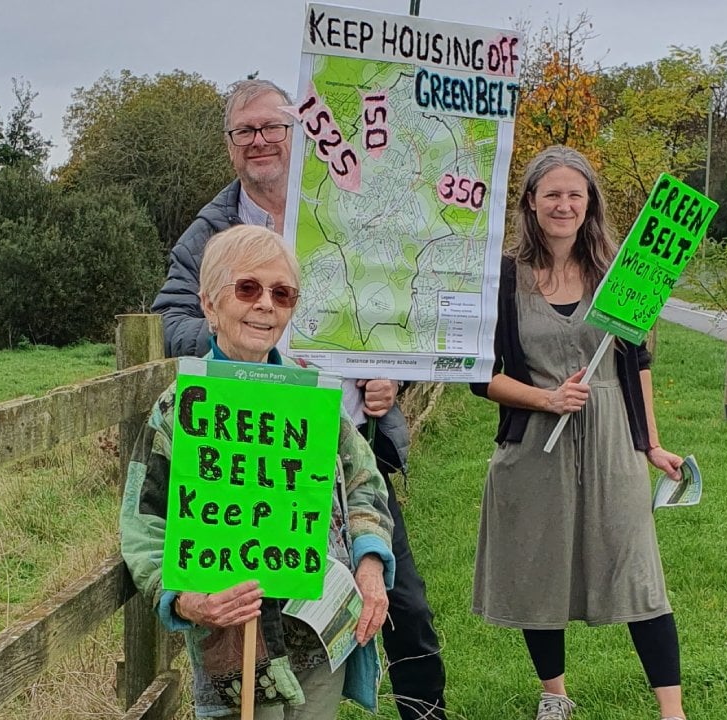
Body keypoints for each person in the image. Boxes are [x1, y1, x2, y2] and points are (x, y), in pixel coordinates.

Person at [151, 78, 448, 720]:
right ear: (230, 144)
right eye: (245, 131)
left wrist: (386, 376)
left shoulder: (346, 212)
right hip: (234, 449)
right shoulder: (209, 233)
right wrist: (240, 338)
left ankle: (424, 712)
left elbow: (390, 312)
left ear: (297, 133)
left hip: (334, 439)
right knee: (247, 633)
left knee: (399, 601)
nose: (260, 140)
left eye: (272, 127)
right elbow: (169, 315)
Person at [121, 225, 395, 718]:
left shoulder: (314, 404)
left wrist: (370, 564)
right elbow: (144, 524)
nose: (266, 304)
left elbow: (364, 484)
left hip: (318, 634)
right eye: (248, 288)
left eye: (282, 293)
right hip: (230, 645)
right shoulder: (182, 407)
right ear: (209, 305)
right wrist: (184, 599)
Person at [469, 145, 688, 720]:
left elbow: (636, 364)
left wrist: (652, 445)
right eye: (552, 194)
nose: (564, 205)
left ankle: (673, 711)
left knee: (636, 568)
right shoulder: (504, 278)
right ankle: (555, 696)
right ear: (531, 204)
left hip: (613, 437)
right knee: (539, 570)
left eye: (575, 194)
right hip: (533, 447)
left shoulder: (620, 273)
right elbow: (478, 376)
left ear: (589, 202)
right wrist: (546, 397)